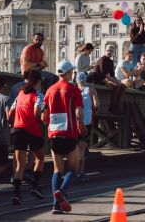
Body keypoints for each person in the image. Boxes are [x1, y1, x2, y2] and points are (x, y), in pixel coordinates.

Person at [44, 60, 86, 214]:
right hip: (69, 133)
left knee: (57, 170)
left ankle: (56, 205)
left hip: (54, 134)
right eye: (71, 72)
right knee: (73, 169)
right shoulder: (73, 89)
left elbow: (44, 115)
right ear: (68, 73)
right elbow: (78, 110)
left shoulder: (49, 90)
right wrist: (81, 123)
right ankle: (61, 192)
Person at [9, 70, 46, 204]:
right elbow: (37, 112)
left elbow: (10, 114)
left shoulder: (20, 94)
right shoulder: (39, 95)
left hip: (18, 130)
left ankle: (16, 194)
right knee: (40, 157)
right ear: (37, 81)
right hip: (32, 130)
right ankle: (35, 186)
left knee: (20, 164)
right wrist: (40, 120)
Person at [76, 72, 99, 181]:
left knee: (75, 148)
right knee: (82, 149)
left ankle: (76, 171)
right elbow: (97, 105)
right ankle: (79, 172)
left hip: (73, 123)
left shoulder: (73, 90)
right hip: (86, 122)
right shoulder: (91, 90)